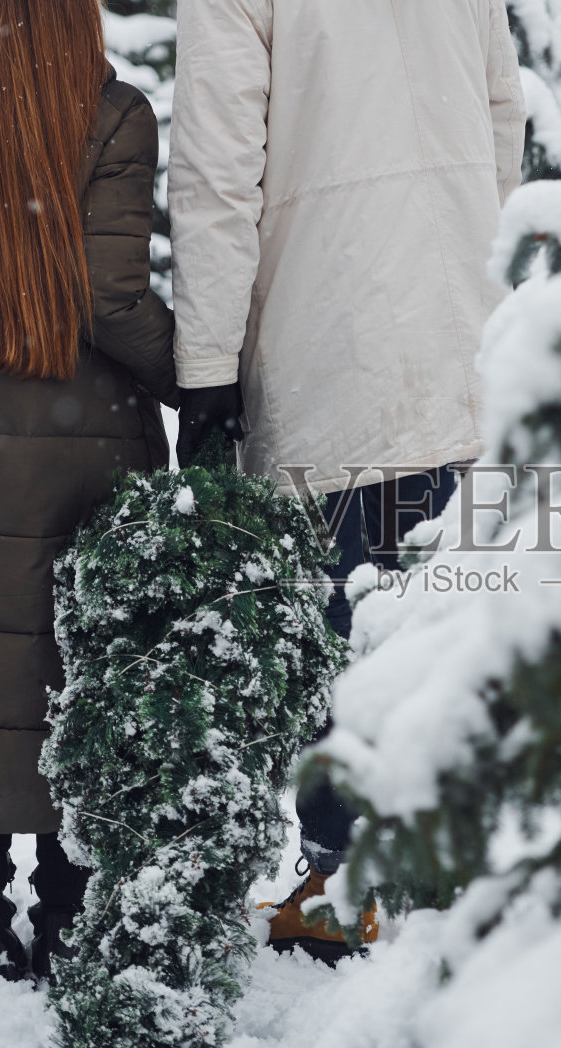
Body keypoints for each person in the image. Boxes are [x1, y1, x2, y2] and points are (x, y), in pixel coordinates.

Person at [166, 0, 526, 959]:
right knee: (446, 612)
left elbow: (215, 174)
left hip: (328, 347)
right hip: (458, 333)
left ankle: (338, 880)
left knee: (339, 632)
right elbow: (503, 116)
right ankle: (459, 870)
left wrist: (204, 371)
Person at [0, 0, 181, 991]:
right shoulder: (109, 114)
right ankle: (61, 912)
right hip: (72, 444)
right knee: (71, 675)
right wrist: (203, 372)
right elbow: (110, 299)